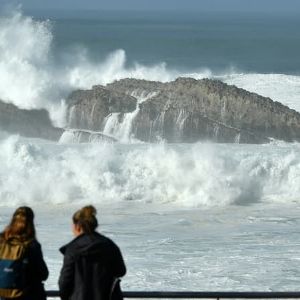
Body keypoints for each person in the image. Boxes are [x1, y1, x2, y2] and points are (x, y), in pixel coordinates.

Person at [58, 205, 126, 300]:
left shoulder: (73, 248)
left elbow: (65, 282)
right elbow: (121, 271)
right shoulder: (109, 245)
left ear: (78, 226)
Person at [0, 206, 49, 300]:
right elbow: (43, 274)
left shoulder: (1, 241)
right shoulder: (32, 245)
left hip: (5, 294)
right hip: (28, 294)